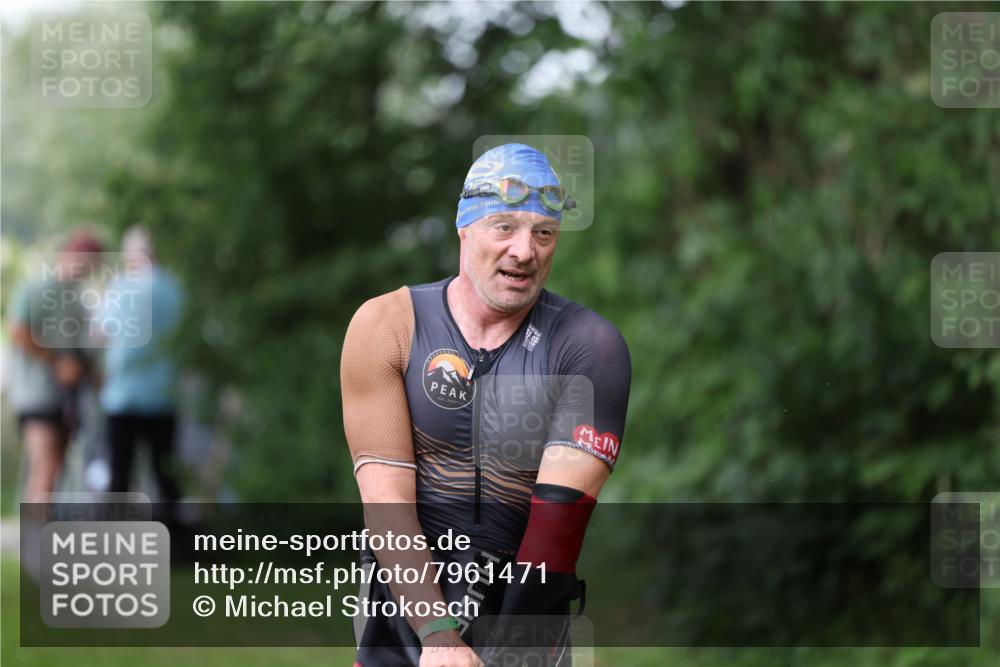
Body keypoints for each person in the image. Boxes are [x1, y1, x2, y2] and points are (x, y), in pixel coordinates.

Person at [341, 143, 631, 667]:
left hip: (525, 616)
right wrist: (438, 637)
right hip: (404, 619)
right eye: (505, 227)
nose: (525, 250)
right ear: (464, 228)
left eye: (544, 233)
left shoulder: (587, 347)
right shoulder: (388, 326)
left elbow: (557, 526)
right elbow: (386, 504)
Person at [8, 231, 104, 502]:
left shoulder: (79, 301)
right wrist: (56, 360)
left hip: (66, 399)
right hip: (35, 394)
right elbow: (18, 331)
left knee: (55, 470)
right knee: (46, 465)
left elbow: (82, 352)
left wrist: (93, 375)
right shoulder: (36, 289)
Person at [98, 226, 185, 509]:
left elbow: (100, 332)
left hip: (123, 394)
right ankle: (177, 537)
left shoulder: (121, 287)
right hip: (163, 392)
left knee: (120, 471)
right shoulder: (175, 288)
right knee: (165, 471)